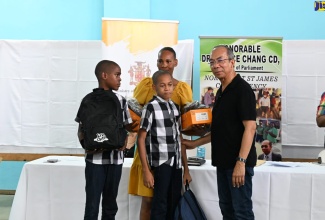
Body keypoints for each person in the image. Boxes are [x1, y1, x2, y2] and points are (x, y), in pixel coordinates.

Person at [183, 45, 257, 219]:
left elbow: (250, 128)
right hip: (222, 163)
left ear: (232, 62)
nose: (216, 65)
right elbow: (220, 130)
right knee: (227, 211)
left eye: (220, 60)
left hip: (237, 164)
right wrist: (193, 143)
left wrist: (241, 163)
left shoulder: (242, 90)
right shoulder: (221, 91)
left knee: (242, 212)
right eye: (212, 62)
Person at [128, 47, 192, 220]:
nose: (164, 64)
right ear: (155, 86)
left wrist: (186, 167)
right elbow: (138, 128)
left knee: (172, 201)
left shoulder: (175, 102)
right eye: (160, 61)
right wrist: (147, 170)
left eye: (168, 61)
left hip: (175, 160)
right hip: (154, 157)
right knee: (153, 202)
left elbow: (180, 134)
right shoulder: (149, 100)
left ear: (175, 63)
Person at [75, 60, 133, 220]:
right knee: (109, 204)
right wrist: (124, 142)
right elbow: (128, 127)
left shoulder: (87, 99)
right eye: (117, 74)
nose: (120, 79)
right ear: (104, 75)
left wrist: (88, 146)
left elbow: (80, 129)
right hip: (114, 160)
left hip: (95, 160)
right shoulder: (120, 100)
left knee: (93, 205)